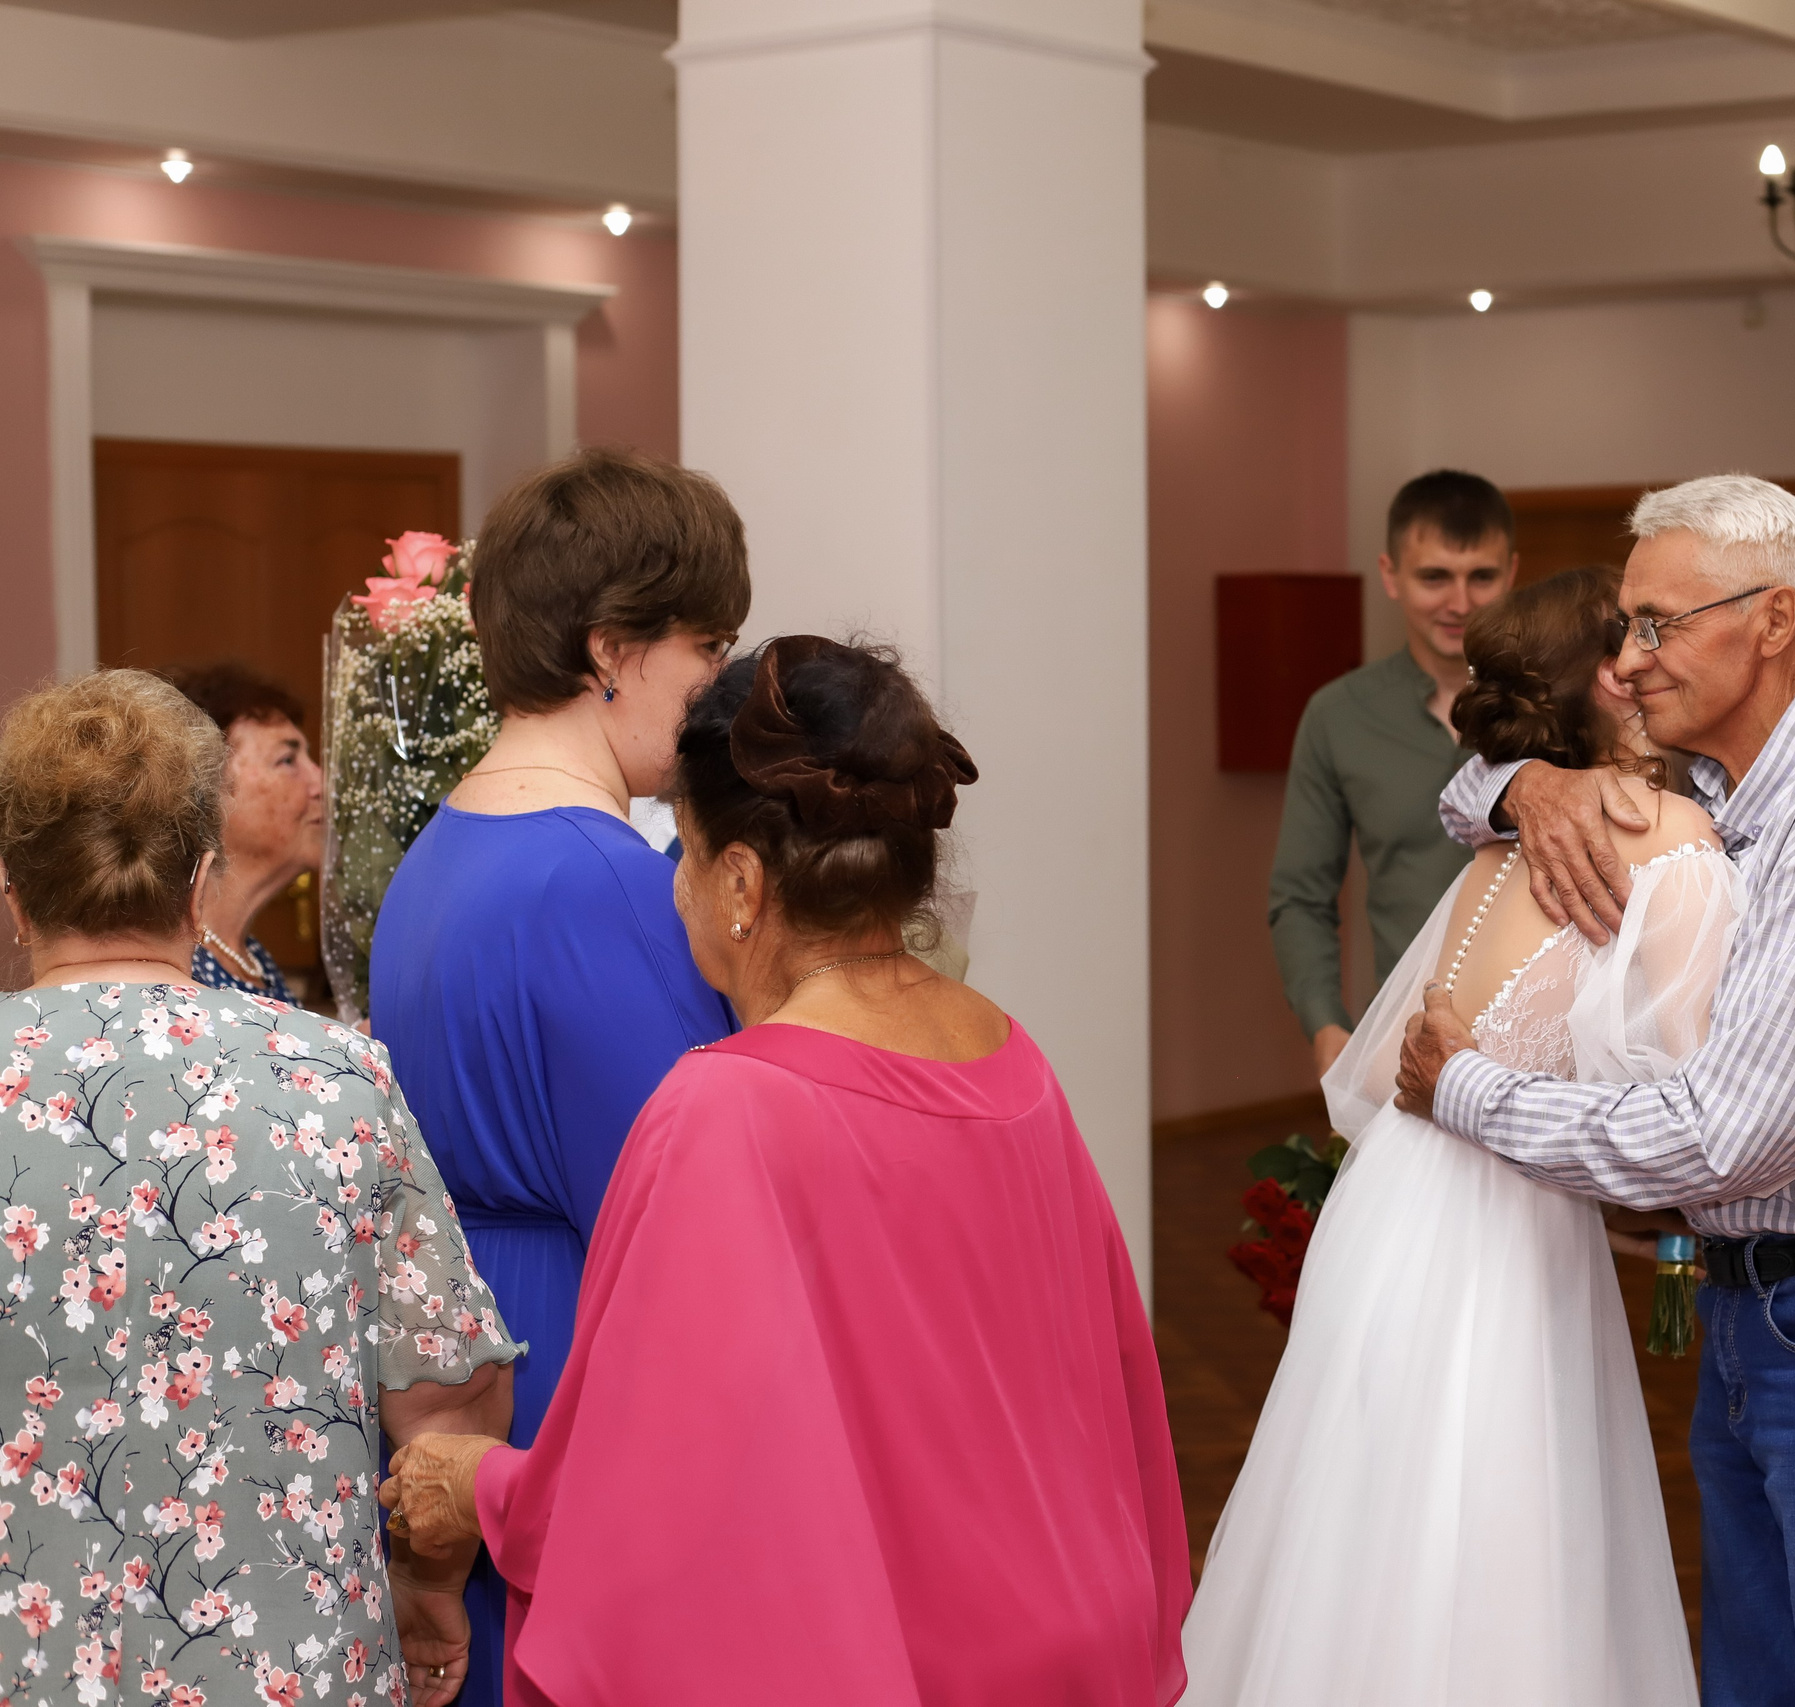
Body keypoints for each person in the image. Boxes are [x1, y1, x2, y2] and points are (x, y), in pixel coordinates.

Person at [1189, 567, 1795, 1706]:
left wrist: (1522, 782)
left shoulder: (1509, 841)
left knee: (1380, 1529)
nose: (1654, 657)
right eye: (1638, 638)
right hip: (1509, 1230)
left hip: (1400, 1215)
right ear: (1612, 682)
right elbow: (1725, 1100)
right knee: (1504, 1539)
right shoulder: (1665, 833)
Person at [376, 636, 1191, 1706]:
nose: (674, 891)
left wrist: (480, 1485)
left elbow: (663, 1506)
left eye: (683, 856)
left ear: (742, 884)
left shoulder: (726, 1108)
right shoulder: (1014, 1060)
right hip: (1063, 1633)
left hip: (892, 1657)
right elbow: (1107, 1394)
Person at [1396, 476, 1795, 1707]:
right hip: (1766, 1297)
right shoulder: (1729, 780)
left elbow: (1718, 1135)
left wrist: (1463, 1089)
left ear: (1773, 621)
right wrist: (1531, 787)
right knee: (1756, 1669)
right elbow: (1465, 795)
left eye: (1657, 625)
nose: (1629, 660)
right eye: (1627, 626)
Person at [0, 669, 519, 1707]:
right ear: (199, 883)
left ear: (13, 894)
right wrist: (428, 1586)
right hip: (294, 1672)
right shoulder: (335, 1077)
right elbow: (450, 1397)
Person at [367, 447, 748, 1707]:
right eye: (706, 646)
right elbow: (670, 1208)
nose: (717, 684)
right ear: (610, 649)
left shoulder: (437, 851)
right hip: (574, 1359)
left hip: (455, 1357)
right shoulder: (605, 880)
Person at [1270, 470, 1517, 1075]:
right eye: (1435, 577)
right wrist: (1326, 1023)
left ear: (1512, 573)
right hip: (1406, 1048)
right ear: (1390, 575)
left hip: (1549, 1050)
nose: (1460, 602)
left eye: (1481, 576)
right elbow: (1301, 897)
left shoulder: (1564, 706)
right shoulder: (1338, 715)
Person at [156, 662, 326, 1002]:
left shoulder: (252, 957)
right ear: (207, 789)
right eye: (287, 760)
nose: (320, 784)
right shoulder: (176, 968)